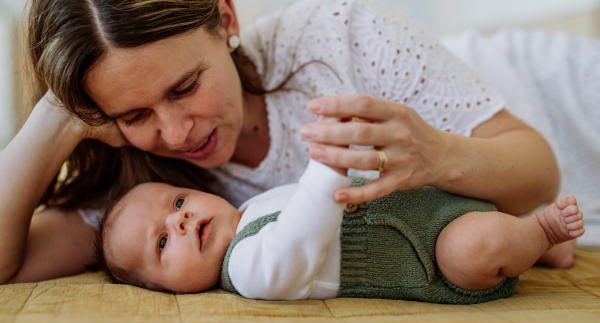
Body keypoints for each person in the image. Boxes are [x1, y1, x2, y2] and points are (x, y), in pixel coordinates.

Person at [0, 0, 566, 285]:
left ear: (225, 19)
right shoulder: (140, 199)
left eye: (186, 86)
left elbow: (541, 175)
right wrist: (58, 117)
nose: (175, 134)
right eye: (134, 113)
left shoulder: (345, 36)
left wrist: (440, 153)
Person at [96, 158, 585, 303]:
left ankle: (535, 246)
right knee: (475, 247)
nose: (180, 220)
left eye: (178, 202)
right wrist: (329, 166)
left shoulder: (250, 205)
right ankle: (540, 232)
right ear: (165, 290)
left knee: (486, 225)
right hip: (431, 257)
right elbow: (298, 240)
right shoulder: (248, 270)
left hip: (426, 204)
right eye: (162, 242)